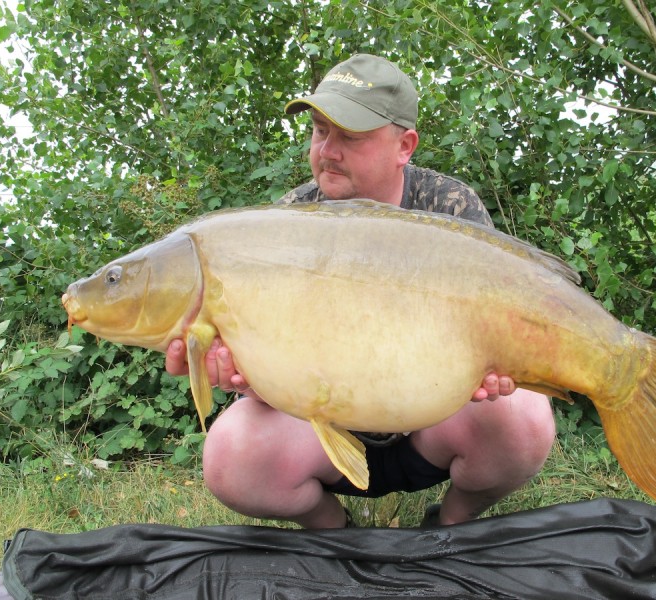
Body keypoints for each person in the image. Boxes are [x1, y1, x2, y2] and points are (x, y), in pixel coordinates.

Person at [165, 54, 556, 528]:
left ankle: (450, 527)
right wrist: (244, 375)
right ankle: (335, 533)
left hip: (430, 427)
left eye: (349, 136)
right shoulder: (286, 223)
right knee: (230, 455)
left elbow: (498, 331)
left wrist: (499, 364)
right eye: (318, 130)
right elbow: (270, 378)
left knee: (525, 418)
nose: (327, 150)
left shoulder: (449, 210)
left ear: (404, 145)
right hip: (320, 435)